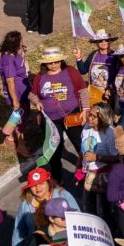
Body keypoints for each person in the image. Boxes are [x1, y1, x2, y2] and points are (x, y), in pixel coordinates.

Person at [29, 47, 90, 181]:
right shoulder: (40, 76)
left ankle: (88, 174)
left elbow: (83, 90)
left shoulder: (70, 71)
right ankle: (57, 180)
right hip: (51, 121)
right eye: (50, 63)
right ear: (45, 64)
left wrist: (85, 109)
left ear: (61, 61)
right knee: (55, 151)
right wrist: (36, 102)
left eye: (56, 62)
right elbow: (32, 94)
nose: (53, 65)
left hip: (72, 115)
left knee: (81, 145)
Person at [12, 168, 78, 246]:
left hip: (65, 245)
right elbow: (19, 229)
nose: (38, 188)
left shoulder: (63, 195)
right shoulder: (25, 206)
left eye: (41, 183)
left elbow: (78, 217)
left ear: (48, 182)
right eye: (33, 185)